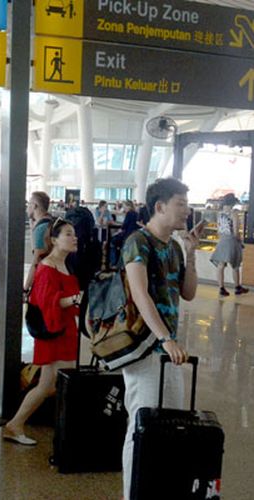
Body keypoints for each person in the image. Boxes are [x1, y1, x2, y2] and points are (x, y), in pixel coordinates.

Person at [120, 177, 201, 500]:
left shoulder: (174, 246)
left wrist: (191, 254)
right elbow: (141, 295)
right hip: (143, 346)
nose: (187, 210)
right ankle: (133, 493)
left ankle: (156, 488)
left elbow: (189, 293)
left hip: (168, 347)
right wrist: (165, 337)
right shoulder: (138, 242)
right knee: (141, 422)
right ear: (160, 206)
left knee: (170, 417)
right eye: (181, 203)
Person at [3, 218, 80, 445]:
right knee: (58, 383)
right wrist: (74, 299)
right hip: (53, 331)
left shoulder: (65, 264)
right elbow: (46, 301)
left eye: (74, 233)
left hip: (64, 330)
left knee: (49, 385)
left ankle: (16, 424)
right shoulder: (47, 267)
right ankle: (22, 424)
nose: (74, 237)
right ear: (54, 240)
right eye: (68, 234)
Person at [210, 193, 248, 296]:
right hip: (231, 241)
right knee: (235, 265)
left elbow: (218, 230)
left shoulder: (220, 214)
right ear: (232, 203)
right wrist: (240, 242)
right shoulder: (233, 214)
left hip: (222, 240)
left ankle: (221, 288)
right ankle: (237, 287)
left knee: (221, 265)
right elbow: (236, 232)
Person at [24, 191, 52, 293]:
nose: (27, 208)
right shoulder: (50, 222)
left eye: (28, 204)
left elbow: (37, 261)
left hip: (46, 282)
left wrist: (26, 288)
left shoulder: (41, 229)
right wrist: (32, 230)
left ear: (35, 206)